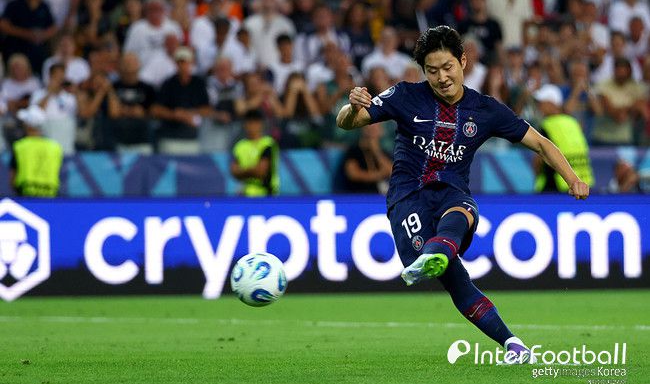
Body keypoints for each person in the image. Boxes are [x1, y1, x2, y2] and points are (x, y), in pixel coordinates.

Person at [336, 26, 590, 362]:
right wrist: (352, 106)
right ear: (423, 71)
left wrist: (572, 179)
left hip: (451, 193)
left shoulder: (485, 109)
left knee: (463, 209)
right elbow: (347, 122)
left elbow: (541, 144)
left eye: (447, 67)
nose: (442, 78)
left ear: (463, 62)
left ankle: (440, 252)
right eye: (432, 71)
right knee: (456, 280)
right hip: (407, 198)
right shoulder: (405, 95)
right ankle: (511, 342)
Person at [532, 84, 594, 193]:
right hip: (582, 185)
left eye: (541, 103)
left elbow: (538, 160)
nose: (538, 107)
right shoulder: (573, 122)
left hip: (554, 186)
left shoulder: (548, 125)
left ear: (552, 104)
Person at [9, 105, 63, 197]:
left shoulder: (20, 146)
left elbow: (12, 177)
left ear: (28, 126)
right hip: (51, 195)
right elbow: (58, 173)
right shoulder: (55, 147)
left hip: (25, 195)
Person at [230, 109, 279, 197]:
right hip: (245, 194)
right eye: (249, 122)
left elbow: (260, 172)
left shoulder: (268, 143)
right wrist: (253, 170)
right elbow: (234, 172)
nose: (252, 126)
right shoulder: (240, 146)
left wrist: (242, 171)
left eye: (255, 122)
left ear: (261, 124)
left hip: (266, 195)